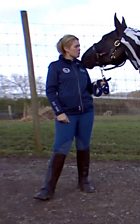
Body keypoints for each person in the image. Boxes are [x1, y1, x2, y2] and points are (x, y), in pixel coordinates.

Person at [34, 34, 103, 201]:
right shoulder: (55, 67)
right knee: (60, 148)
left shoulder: (81, 67)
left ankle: (83, 181)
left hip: (86, 113)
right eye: (76, 46)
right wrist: (59, 112)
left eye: (79, 46)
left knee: (83, 146)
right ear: (66, 48)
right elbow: (50, 91)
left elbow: (88, 89)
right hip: (67, 115)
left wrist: (98, 86)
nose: (79, 49)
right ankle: (48, 188)